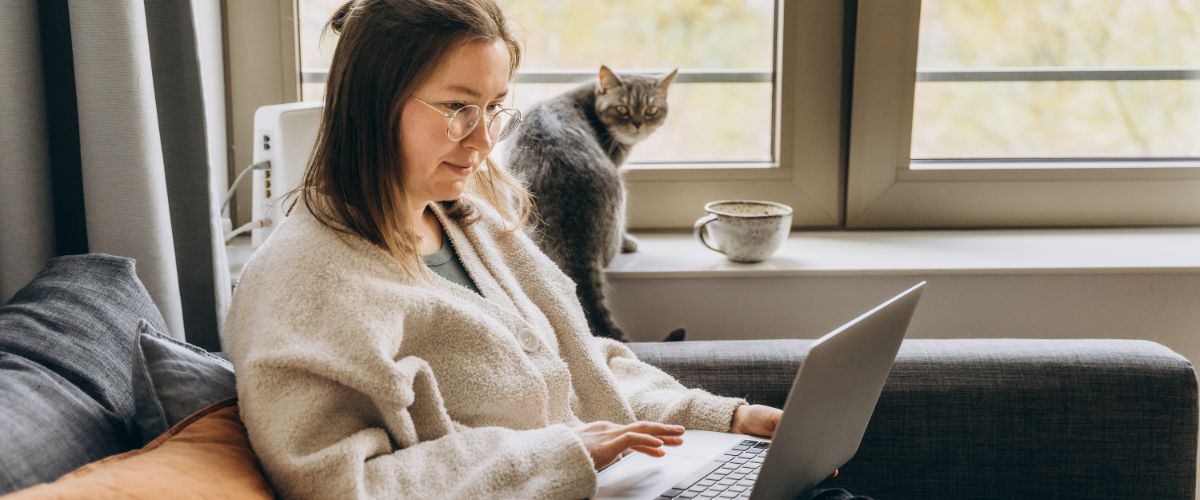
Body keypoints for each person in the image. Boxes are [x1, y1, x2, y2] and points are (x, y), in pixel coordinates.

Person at [225, 0, 861, 498]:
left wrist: (720, 419)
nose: (480, 141)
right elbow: (339, 484)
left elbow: (583, 369)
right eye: (457, 108)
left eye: (495, 108)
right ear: (372, 104)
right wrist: (564, 457)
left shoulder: (471, 223)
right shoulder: (307, 281)